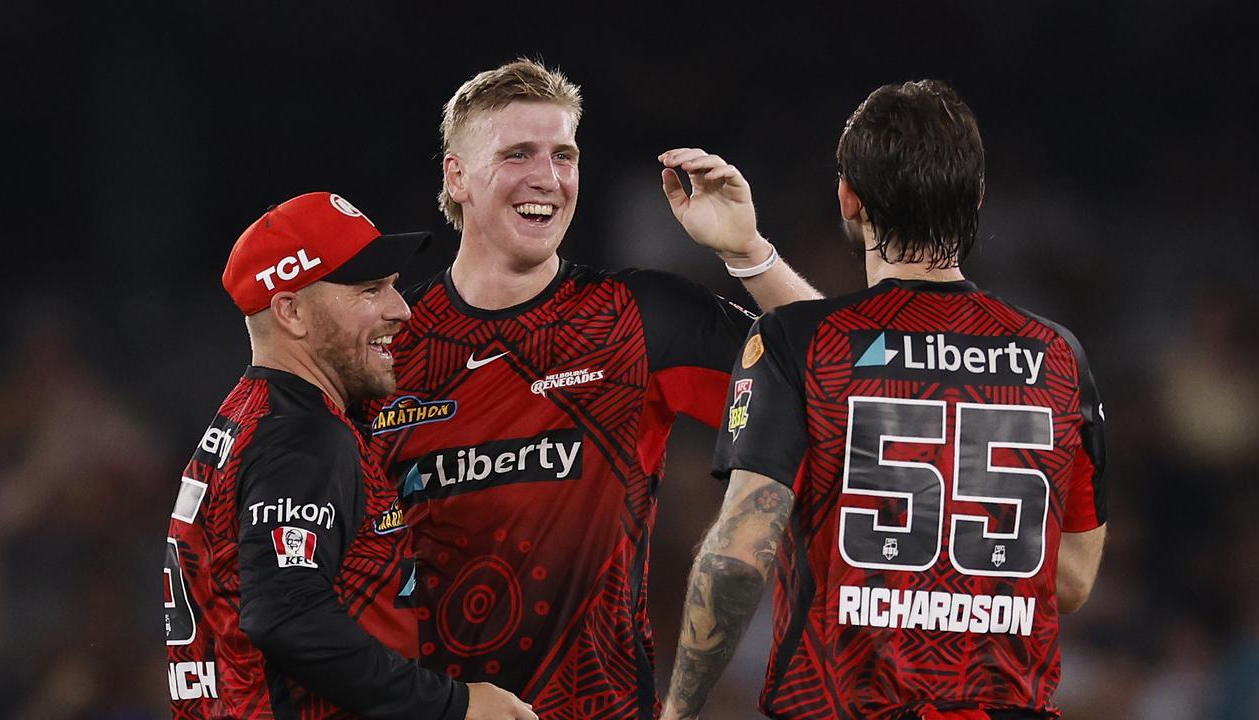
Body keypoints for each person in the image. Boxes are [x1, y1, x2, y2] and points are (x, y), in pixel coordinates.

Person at [366, 59, 821, 719]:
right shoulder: (382, 343)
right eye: (517, 153)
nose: (547, 179)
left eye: (563, 155)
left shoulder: (638, 317)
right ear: (456, 176)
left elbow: (835, 385)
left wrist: (749, 252)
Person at [661, 80, 1108, 720]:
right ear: (977, 198)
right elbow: (1070, 580)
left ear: (848, 199)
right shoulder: (1058, 356)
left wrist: (677, 710)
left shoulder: (797, 344)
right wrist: (749, 255)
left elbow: (736, 557)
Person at [163, 192, 535, 720]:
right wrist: (456, 706)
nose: (400, 309)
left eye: (392, 287)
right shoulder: (302, 437)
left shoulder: (251, 417)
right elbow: (286, 615)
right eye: (368, 290)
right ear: (291, 312)